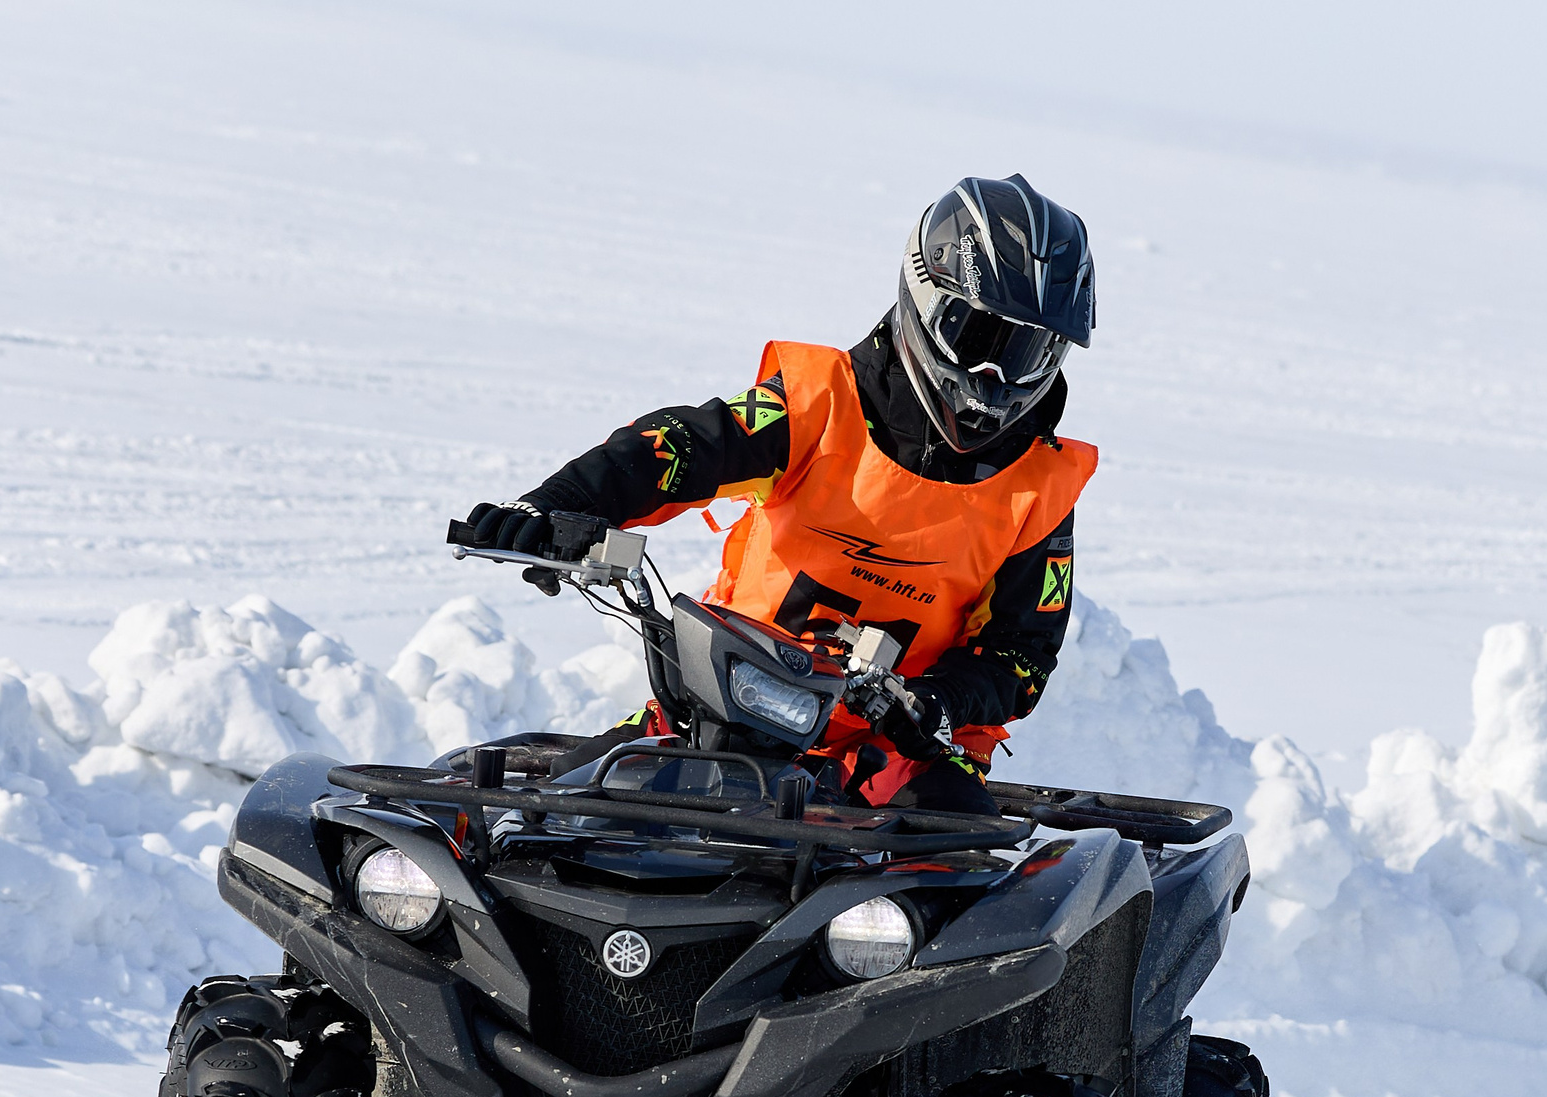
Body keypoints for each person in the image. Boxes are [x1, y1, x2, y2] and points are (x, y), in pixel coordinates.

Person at [462, 173, 1097, 815]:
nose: (995, 376)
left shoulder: (1040, 491)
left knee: (953, 862)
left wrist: (938, 702)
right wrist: (559, 503)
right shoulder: (814, 405)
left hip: (904, 747)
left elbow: (1021, 654)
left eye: (1027, 352)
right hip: (728, 703)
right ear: (926, 299)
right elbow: (682, 446)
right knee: (559, 818)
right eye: (978, 337)